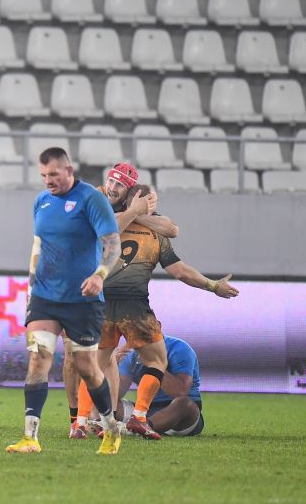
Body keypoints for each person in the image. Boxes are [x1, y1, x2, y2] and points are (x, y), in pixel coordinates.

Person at [73, 183, 237, 440]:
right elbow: (180, 271)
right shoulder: (153, 234)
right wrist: (213, 286)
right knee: (157, 360)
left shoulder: (106, 224)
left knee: (97, 364)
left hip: (102, 303)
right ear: (140, 200)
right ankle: (139, 417)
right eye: (151, 200)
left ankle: (80, 422)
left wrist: (136, 212)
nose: (154, 205)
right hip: (134, 306)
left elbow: (172, 228)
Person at [6, 147, 125, 456]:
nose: (48, 181)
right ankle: (30, 436)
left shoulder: (91, 199)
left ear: (69, 170)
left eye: (54, 174)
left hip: (83, 299)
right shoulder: (41, 202)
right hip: (45, 296)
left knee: (86, 366)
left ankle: (111, 427)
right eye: (43, 175)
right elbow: (39, 246)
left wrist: (99, 274)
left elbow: (113, 244)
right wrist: (31, 288)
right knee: (38, 358)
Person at [61, 161, 181, 431]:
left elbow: (171, 229)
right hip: (75, 286)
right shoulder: (94, 197)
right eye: (112, 181)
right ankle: (78, 418)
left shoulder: (129, 206)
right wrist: (135, 212)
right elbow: (106, 227)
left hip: (100, 295)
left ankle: (101, 419)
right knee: (73, 358)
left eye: (120, 185)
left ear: (128, 191)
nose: (113, 187)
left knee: (102, 360)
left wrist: (137, 213)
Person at [113, 335, 205, 437]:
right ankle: (106, 423)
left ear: (157, 327)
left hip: (178, 417)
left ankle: (143, 427)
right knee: (103, 400)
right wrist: (111, 365)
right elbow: (116, 394)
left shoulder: (179, 348)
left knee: (184, 403)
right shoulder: (131, 354)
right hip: (144, 411)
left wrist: (154, 365)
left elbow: (180, 392)